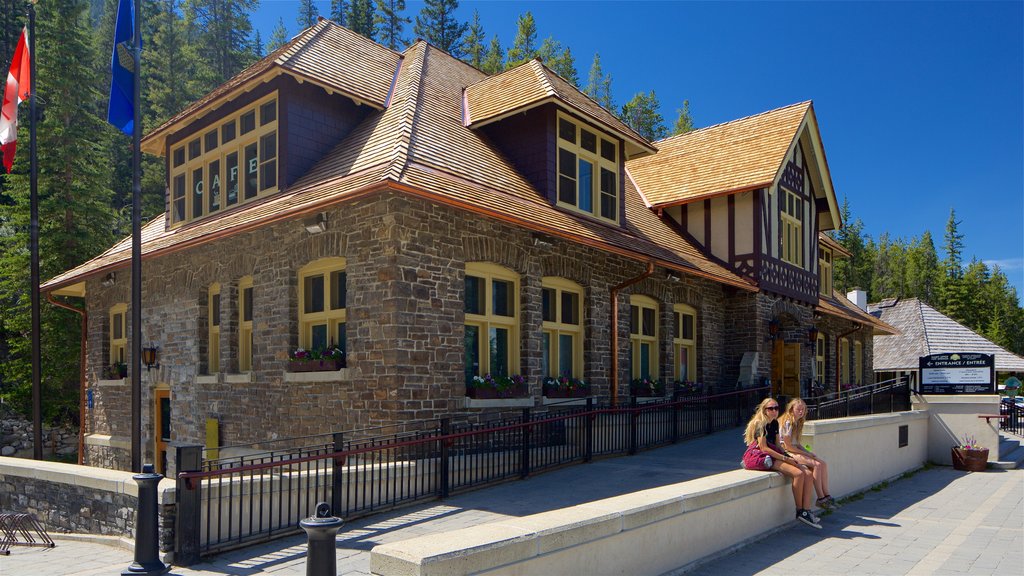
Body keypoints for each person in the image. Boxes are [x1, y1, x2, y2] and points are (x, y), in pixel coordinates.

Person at [743, 397, 820, 528]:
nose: (774, 411)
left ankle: (806, 510)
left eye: (776, 408)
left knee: (806, 473)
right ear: (764, 410)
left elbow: (778, 445)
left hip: (775, 454)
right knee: (798, 474)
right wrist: (785, 459)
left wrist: (789, 457)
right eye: (771, 408)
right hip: (765, 456)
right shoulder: (760, 424)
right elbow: (764, 448)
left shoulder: (774, 423)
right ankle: (800, 510)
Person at [780, 398, 834, 509]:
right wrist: (807, 455)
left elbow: (797, 443)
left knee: (822, 463)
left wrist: (808, 452)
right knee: (816, 465)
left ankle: (826, 495)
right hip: (786, 451)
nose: (801, 412)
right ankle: (820, 498)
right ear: (791, 410)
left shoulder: (797, 422)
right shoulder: (788, 422)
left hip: (793, 449)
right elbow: (788, 446)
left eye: (803, 409)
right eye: (798, 409)